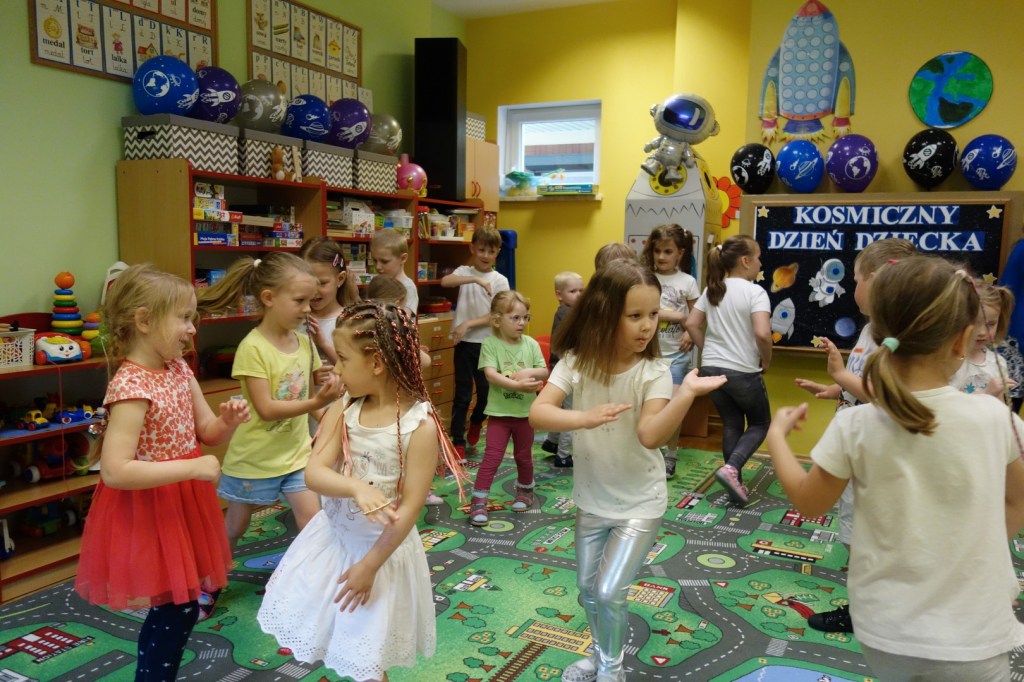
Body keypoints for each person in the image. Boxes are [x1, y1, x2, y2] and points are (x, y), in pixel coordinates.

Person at [766, 255, 1024, 682]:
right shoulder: (997, 418)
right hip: (975, 632)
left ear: (877, 333)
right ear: (963, 339)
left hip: (886, 633)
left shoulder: (855, 424)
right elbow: (1017, 501)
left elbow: (809, 503)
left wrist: (776, 436)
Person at [530, 259, 726, 682]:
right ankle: (600, 656)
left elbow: (650, 435)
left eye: (653, 314)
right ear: (603, 314)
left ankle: (612, 671)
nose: (648, 326)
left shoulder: (654, 371)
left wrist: (686, 394)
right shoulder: (576, 362)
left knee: (608, 591)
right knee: (587, 590)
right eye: (635, 315)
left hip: (640, 502)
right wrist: (583, 418)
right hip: (592, 499)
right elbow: (538, 413)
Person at [257, 302, 466, 681]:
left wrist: (369, 566)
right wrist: (355, 487)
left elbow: (410, 509)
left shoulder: (420, 426)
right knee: (337, 636)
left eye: (342, 359)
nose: (335, 370)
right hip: (335, 544)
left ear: (377, 363)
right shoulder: (344, 408)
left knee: (368, 655)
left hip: (380, 556)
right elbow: (314, 473)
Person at [75, 264, 251, 681]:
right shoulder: (130, 386)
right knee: (180, 605)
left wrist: (226, 421)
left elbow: (206, 431)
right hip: (151, 507)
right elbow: (115, 470)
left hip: (183, 502)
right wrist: (192, 466)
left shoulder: (179, 369)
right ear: (144, 320)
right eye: (184, 317)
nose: (192, 328)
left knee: (177, 604)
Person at [792, 237, 916, 634]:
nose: (854, 286)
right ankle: (870, 599)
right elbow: (863, 381)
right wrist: (836, 388)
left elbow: (889, 397)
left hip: (876, 450)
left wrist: (842, 377)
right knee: (853, 527)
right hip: (857, 445)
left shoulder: (897, 335)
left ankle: (869, 608)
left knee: (868, 530)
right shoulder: (869, 330)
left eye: (857, 278)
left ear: (876, 279)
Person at [196, 252, 343, 556]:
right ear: (268, 298)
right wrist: (317, 401)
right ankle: (214, 573)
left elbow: (308, 398)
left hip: (296, 456)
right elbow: (267, 409)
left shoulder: (304, 342)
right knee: (236, 526)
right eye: (300, 300)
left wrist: (333, 420)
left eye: (310, 300)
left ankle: (315, 576)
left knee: (312, 522)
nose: (308, 309)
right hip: (254, 460)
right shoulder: (252, 348)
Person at [684, 235, 771, 506]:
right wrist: (766, 360)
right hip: (742, 370)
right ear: (745, 261)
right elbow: (762, 334)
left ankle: (735, 482)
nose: (760, 263)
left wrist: (708, 349)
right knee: (759, 423)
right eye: (757, 258)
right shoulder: (755, 292)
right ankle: (732, 468)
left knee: (732, 423)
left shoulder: (712, 290)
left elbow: (691, 324)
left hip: (711, 369)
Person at [468, 291, 548, 526]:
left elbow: (544, 371)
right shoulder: (490, 344)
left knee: (524, 456)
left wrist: (530, 373)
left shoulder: (531, 344)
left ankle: (525, 491)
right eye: (515, 318)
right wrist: (518, 385)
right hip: (499, 415)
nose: (521, 323)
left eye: (525, 317)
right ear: (497, 320)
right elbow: (491, 375)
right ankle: (479, 500)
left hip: (525, 414)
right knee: (491, 458)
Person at [365, 273, 443, 506]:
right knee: (405, 449)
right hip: (398, 404)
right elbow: (425, 362)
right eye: (400, 307)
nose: (404, 313)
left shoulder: (366, 332)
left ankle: (397, 490)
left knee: (390, 451)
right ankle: (412, 491)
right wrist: (414, 352)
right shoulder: (391, 334)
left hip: (387, 404)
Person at [441, 225, 510, 458]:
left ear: (498, 252)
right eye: (481, 250)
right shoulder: (464, 271)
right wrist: (475, 280)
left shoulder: (500, 280)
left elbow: (497, 315)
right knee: (462, 394)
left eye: (491, 251)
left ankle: (477, 421)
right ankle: (458, 440)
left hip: (487, 344)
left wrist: (468, 323)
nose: (485, 255)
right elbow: (446, 282)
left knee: (486, 393)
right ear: (472, 249)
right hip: (464, 344)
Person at [641, 224, 699, 478]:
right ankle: (646, 451)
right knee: (646, 405)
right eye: (657, 251)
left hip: (676, 355)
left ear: (680, 253)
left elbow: (697, 315)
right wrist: (678, 317)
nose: (661, 256)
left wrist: (690, 332)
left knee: (672, 406)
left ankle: (670, 454)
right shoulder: (645, 278)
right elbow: (648, 310)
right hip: (648, 354)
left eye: (668, 251)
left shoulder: (688, 281)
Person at [540, 271, 584, 467]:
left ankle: (552, 441)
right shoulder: (568, 314)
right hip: (568, 370)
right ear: (559, 295)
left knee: (562, 407)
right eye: (573, 291)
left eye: (581, 290)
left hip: (561, 368)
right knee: (570, 412)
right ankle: (564, 455)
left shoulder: (566, 312)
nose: (579, 295)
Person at [299, 237, 361, 366]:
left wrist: (324, 344)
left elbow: (354, 368)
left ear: (340, 279)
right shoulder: (294, 317)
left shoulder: (350, 321)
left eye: (322, 283)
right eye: (307, 282)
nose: (314, 291)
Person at [950, 279, 1015, 397]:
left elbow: (1001, 401)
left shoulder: (998, 363)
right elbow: (946, 402)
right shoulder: (948, 361)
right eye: (974, 324)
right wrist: (986, 393)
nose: (982, 332)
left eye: (990, 324)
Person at [370, 228, 418, 316]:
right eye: (374, 260)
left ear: (403, 258)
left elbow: (403, 319)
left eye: (384, 261)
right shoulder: (379, 282)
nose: (377, 267)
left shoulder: (408, 287)